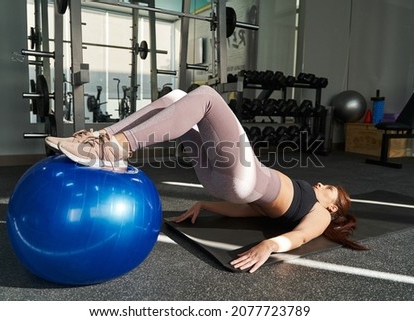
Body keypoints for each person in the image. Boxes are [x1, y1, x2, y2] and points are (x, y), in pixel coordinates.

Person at [46, 85, 368, 273]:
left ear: (334, 208)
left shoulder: (320, 216)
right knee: (175, 98)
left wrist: (269, 245)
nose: (321, 185)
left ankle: (114, 146)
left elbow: (299, 238)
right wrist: (206, 203)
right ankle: (100, 139)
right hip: (226, 182)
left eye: (329, 190)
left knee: (207, 95)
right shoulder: (296, 204)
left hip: (244, 174)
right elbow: (250, 208)